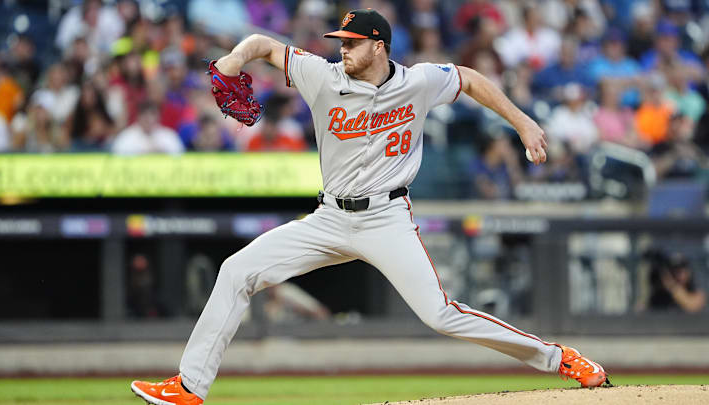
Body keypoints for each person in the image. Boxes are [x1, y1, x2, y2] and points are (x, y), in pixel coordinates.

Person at [130, 9, 608, 405]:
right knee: (236, 271)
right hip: (330, 217)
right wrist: (234, 60)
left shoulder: (418, 82)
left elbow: (469, 79)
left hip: (387, 218)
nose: (342, 50)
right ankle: (191, 386)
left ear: (379, 46)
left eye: (352, 43)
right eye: (340, 41)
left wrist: (523, 124)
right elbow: (263, 43)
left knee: (440, 314)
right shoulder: (322, 76)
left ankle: (557, 358)